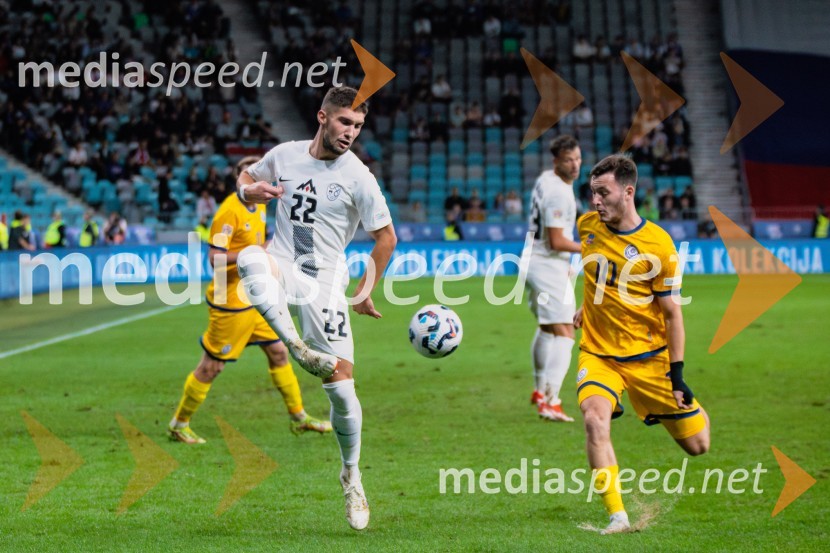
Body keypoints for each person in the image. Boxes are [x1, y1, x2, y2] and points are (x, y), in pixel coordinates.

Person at [234, 86, 397, 531]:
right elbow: (245, 180)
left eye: (359, 126)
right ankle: (296, 347)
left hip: (325, 281)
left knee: (342, 390)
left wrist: (365, 291)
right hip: (284, 261)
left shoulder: (358, 175)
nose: (351, 133)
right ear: (322, 116)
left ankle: (352, 476)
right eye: (345, 122)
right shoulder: (285, 155)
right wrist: (252, 194)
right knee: (250, 258)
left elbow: (386, 238)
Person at [573, 155, 710, 534]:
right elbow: (595, 273)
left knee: (698, 445)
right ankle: (618, 515)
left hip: (650, 359)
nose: (595, 201)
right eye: (592, 193)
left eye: (603, 193)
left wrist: (677, 375)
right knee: (593, 420)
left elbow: (671, 315)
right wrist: (586, 309)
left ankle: (683, 408)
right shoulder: (586, 226)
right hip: (599, 354)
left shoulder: (659, 246)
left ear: (628, 191)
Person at [168, 156, 333, 446]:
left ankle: (299, 417)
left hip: (255, 296)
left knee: (280, 352)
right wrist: (254, 252)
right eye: (261, 177)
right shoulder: (229, 212)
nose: (269, 183)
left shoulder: (259, 208)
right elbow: (214, 258)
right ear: (244, 180)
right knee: (212, 366)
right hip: (230, 301)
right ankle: (179, 424)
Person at [524, 135, 583, 422]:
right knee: (566, 332)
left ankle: (539, 389)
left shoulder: (546, 179)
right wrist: (588, 247)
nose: (575, 165)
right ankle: (551, 401)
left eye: (578, 159)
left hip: (534, 260)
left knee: (548, 328)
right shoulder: (559, 192)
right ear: (556, 162)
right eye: (568, 160)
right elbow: (558, 241)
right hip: (546, 263)